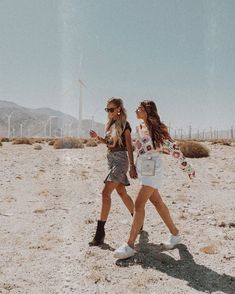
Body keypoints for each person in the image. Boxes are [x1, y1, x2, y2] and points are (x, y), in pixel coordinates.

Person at [114, 100, 195, 259]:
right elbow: (137, 149)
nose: (136, 110)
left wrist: (188, 168)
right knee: (157, 202)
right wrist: (132, 165)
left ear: (147, 111)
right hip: (143, 169)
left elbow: (173, 148)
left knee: (138, 204)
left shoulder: (159, 128)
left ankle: (129, 244)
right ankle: (175, 234)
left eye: (140, 108)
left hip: (155, 168)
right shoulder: (139, 128)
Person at [89, 97, 138, 246]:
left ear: (118, 109)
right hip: (110, 160)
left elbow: (129, 145)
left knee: (105, 193)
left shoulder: (125, 125)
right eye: (107, 109)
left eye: (111, 109)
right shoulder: (110, 125)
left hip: (121, 160)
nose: (109, 112)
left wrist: (132, 165)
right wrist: (98, 138)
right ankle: (138, 219)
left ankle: (100, 233)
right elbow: (109, 143)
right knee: (122, 192)